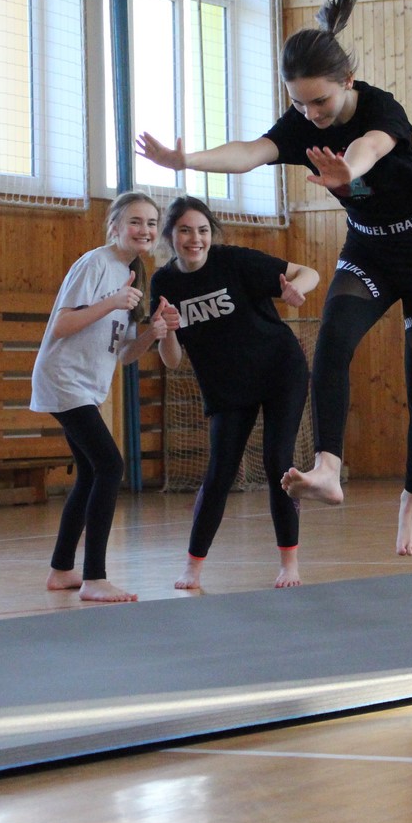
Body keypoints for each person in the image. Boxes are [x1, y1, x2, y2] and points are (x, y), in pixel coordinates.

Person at [137, 0, 412, 557]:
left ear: (348, 81)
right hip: (370, 247)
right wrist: (188, 162)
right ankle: (328, 468)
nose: (311, 114)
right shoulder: (300, 120)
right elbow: (250, 151)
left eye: (320, 101)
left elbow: (370, 147)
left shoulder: (381, 108)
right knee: (332, 341)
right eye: (299, 103)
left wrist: (348, 171)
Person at [150, 196, 320, 589]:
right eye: (185, 231)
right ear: (171, 236)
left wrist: (295, 290)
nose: (195, 239)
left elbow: (307, 272)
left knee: (278, 462)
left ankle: (289, 563)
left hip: (279, 370)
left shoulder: (235, 261)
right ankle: (192, 567)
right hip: (227, 385)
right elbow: (172, 360)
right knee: (219, 472)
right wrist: (167, 331)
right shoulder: (164, 283)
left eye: (203, 230)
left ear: (212, 234)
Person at [31, 192, 174, 603]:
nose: (144, 229)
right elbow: (61, 325)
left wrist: (151, 333)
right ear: (114, 227)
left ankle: (62, 569)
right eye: (135, 221)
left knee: (92, 472)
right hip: (64, 378)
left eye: (151, 223)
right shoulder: (95, 263)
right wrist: (111, 302)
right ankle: (95, 576)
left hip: (87, 386)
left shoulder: (134, 273)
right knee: (111, 465)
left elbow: (125, 354)